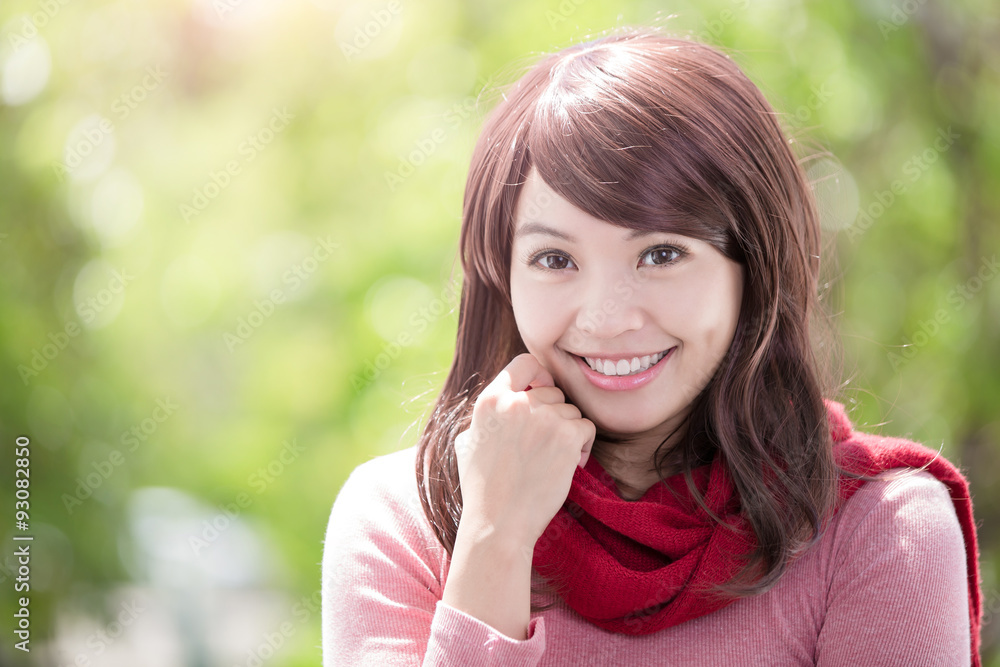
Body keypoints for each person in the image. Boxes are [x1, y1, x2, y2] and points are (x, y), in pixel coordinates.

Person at [322, 27, 982, 666]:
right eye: (554, 257)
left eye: (661, 252)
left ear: (753, 268)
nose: (606, 320)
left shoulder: (880, 531)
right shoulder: (401, 522)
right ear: (502, 276)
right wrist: (493, 539)